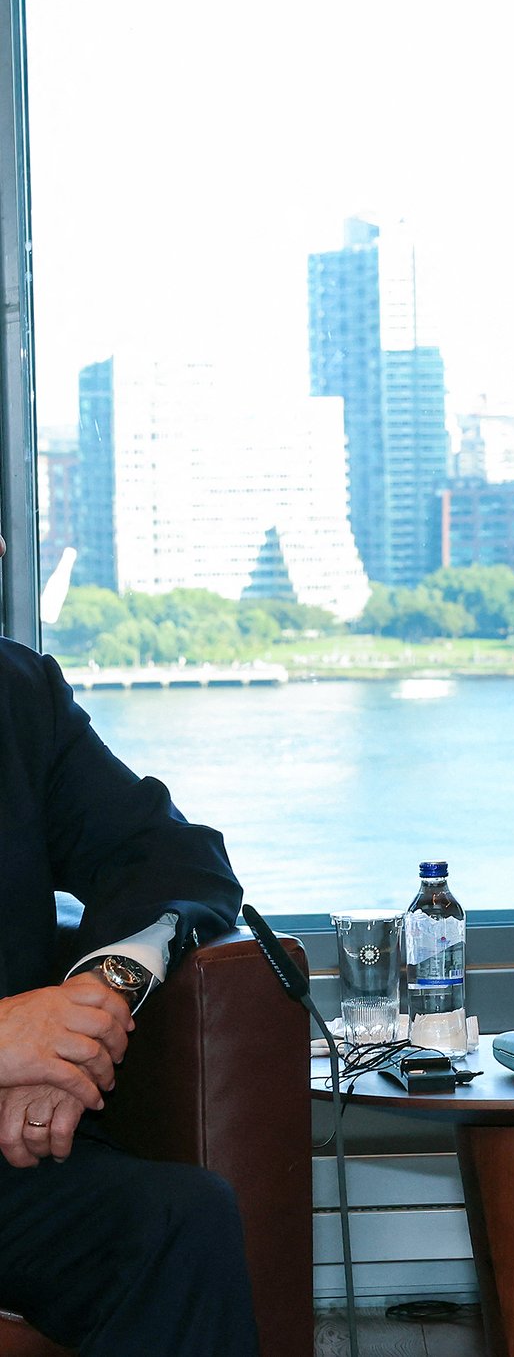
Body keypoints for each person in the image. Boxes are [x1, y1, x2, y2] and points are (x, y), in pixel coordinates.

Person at [0, 530, 256, 1355]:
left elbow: (176, 858)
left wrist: (91, 1010)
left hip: (16, 1153)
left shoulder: (18, 694)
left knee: (181, 1219)